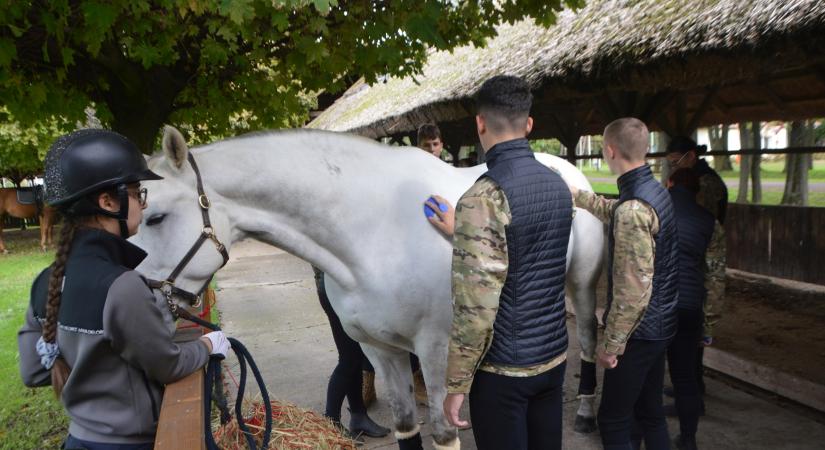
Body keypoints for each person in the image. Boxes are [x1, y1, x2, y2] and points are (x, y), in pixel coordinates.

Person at [17, 129, 228, 450]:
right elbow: (168, 365)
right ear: (107, 201)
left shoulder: (46, 280)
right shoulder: (122, 286)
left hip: (77, 440)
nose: (142, 207)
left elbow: (33, 371)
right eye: (137, 193)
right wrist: (209, 345)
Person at [438, 75, 573, 450]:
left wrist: (456, 384)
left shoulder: (483, 197)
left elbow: (474, 308)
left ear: (479, 122)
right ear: (529, 125)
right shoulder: (557, 184)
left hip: (504, 371)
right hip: (554, 357)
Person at [570, 117, 678, 450]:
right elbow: (619, 210)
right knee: (651, 413)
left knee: (614, 420)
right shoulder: (653, 191)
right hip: (661, 325)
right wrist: (579, 196)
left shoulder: (634, 207)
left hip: (638, 333)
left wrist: (611, 345)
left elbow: (633, 292)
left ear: (610, 150)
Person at [665, 136, 728, 405]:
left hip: (697, 264)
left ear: (690, 157)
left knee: (690, 340)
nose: (672, 168)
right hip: (693, 261)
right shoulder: (694, 179)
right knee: (688, 340)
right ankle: (688, 386)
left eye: (674, 162)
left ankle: (692, 389)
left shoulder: (707, 184)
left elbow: (704, 222)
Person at [312, 267, 390, 440]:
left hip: (343, 288)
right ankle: (331, 422)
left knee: (356, 355)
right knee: (349, 358)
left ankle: (358, 416)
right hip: (335, 290)